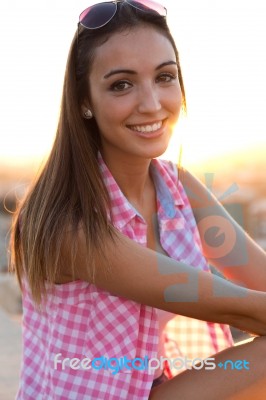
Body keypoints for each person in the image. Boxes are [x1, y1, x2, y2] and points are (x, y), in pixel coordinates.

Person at [10, 1, 266, 399]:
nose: (151, 103)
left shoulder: (178, 188)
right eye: (121, 85)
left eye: (165, 77)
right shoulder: (67, 220)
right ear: (84, 101)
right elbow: (244, 308)